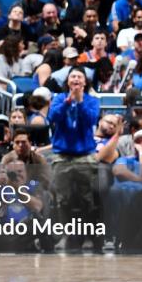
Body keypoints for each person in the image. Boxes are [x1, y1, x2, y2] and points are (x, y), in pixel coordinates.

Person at [48, 67, 102, 248]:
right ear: (68, 81)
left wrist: (79, 102)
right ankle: (65, 236)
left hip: (84, 155)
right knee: (62, 199)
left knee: (87, 199)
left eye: (80, 76)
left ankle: (87, 237)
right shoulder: (58, 99)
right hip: (62, 155)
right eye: (73, 76)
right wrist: (67, 102)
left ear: (85, 82)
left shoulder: (92, 101)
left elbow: (91, 120)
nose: (76, 79)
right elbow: (53, 117)